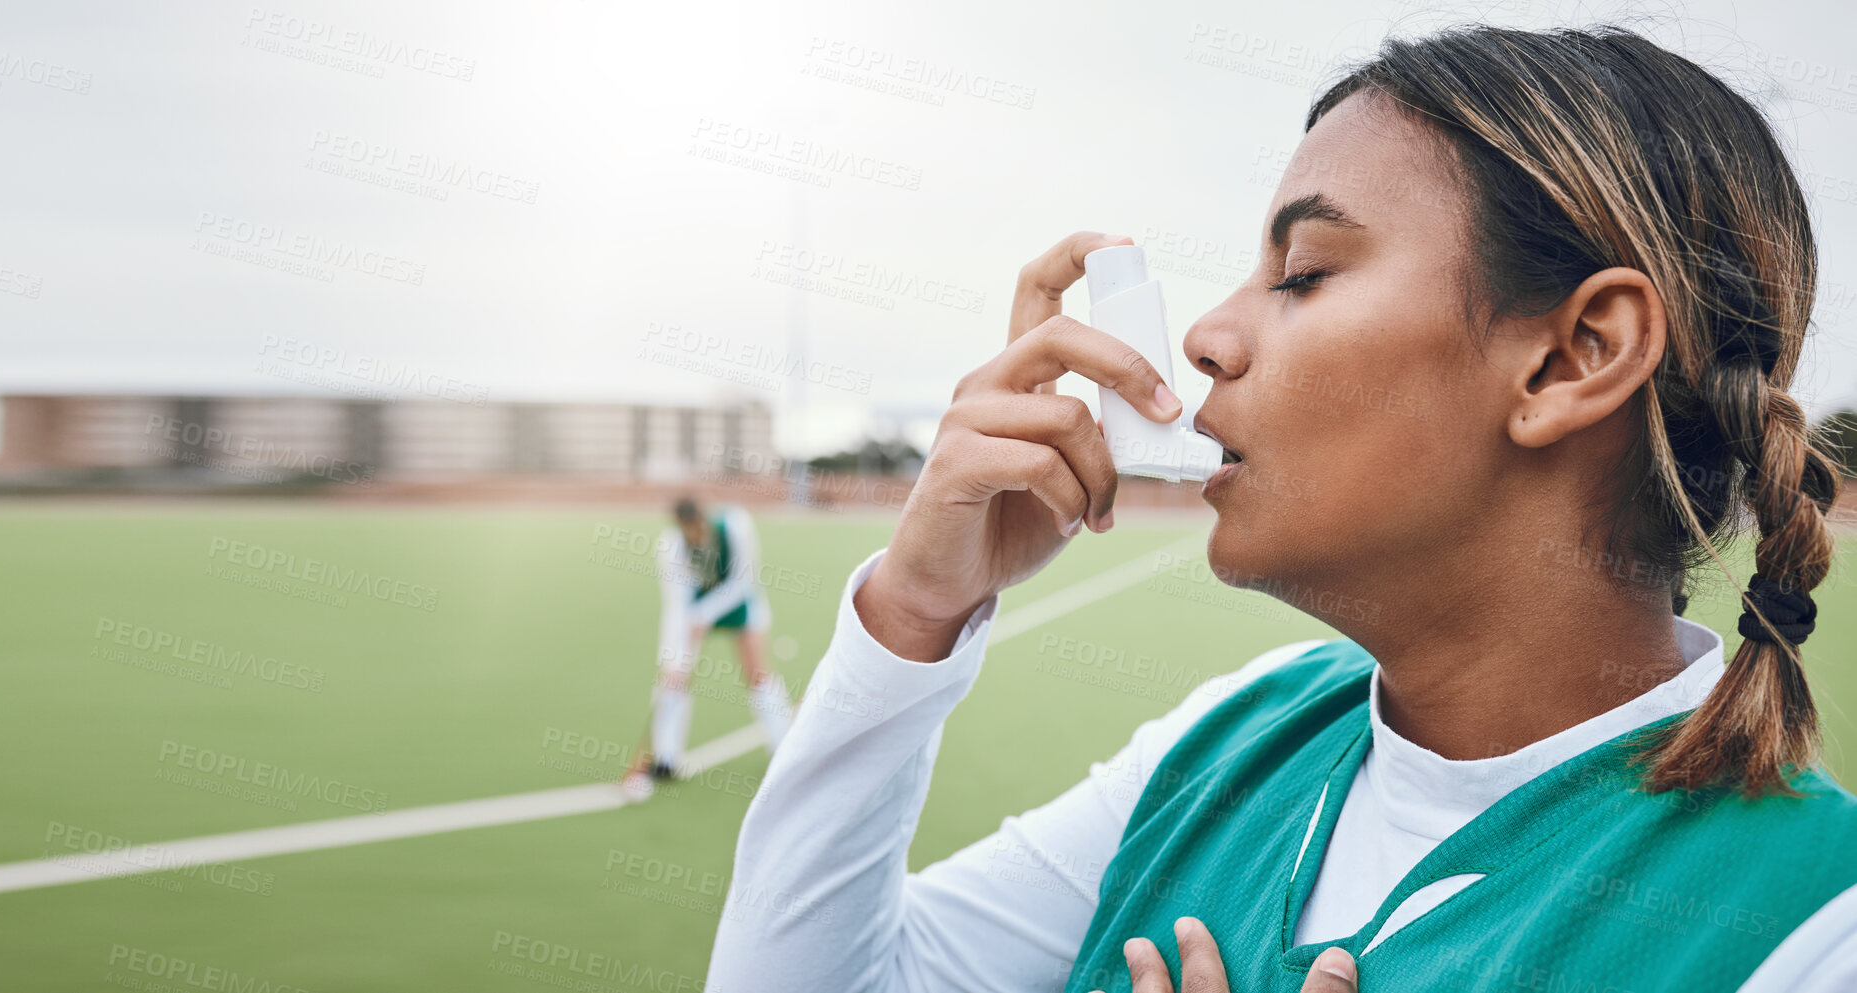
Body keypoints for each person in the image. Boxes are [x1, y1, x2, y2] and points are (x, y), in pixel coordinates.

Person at [705, 25, 1854, 993]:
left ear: (1572, 358)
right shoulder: (1232, 746)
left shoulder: (1809, 924)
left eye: (1302, 272)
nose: (1207, 336)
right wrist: (916, 607)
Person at [632, 497, 792, 786]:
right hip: (693, 607)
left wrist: (705, 615)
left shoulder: (736, 526)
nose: (693, 535)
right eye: (686, 530)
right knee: (675, 677)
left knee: (757, 673)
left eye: (696, 528)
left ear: (703, 518)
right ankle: (667, 759)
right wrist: (672, 657)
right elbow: (676, 603)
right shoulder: (670, 546)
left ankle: (785, 749)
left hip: (740, 601)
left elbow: (744, 581)